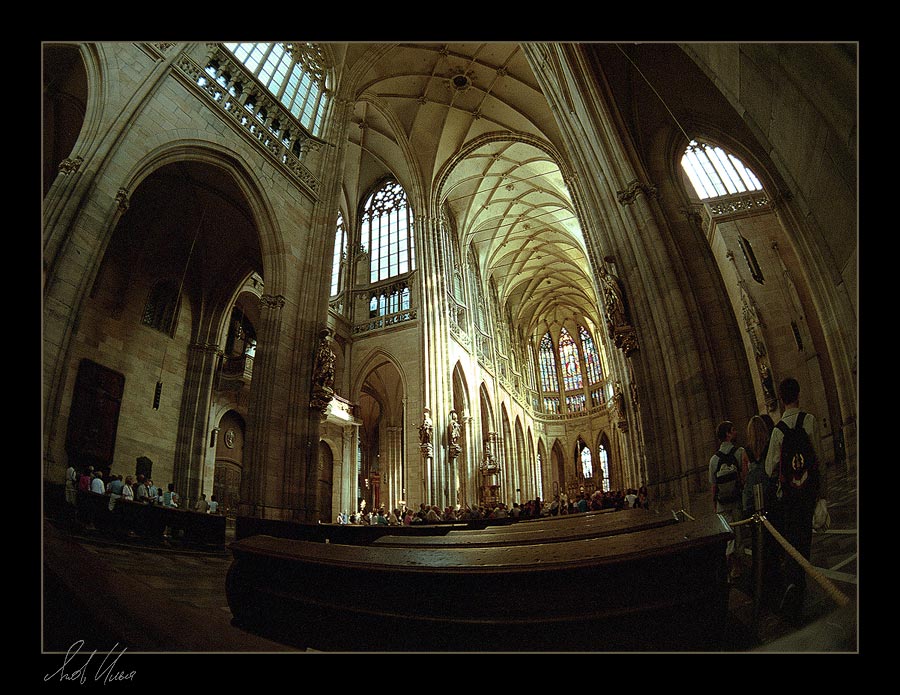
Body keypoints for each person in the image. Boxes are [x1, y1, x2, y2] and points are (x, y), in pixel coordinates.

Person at [764, 377, 823, 624]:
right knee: (804, 541)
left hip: (789, 496)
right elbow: (819, 460)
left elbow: (769, 468)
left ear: (780, 398)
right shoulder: (809, 420)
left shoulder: (778, 430)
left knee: (792, 541)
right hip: (808, 493)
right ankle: (797, 585)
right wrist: (822, 496)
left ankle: (793, 584)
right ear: (798, 394)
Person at [709, 420, 745, 581]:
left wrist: (714, 504)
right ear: (728, 434)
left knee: (727, 536)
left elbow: (714, 486)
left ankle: (729, 568)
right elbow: (745, 477)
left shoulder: (713, 460)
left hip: (722, 503)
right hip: (737, 500)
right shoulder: (739, 452)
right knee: (738, 534)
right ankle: (738, 567)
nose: (736, 432)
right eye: (733, 430)